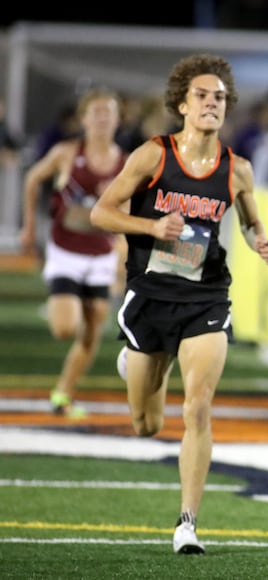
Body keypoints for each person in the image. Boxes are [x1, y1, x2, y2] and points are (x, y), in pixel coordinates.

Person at [89, 54, 268, 555]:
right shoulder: (153, 156)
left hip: (205, 298)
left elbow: (251, 219)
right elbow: (101, 212)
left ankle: (187, 522)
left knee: (197, 407)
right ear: (182, 103)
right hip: (151, 297)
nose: (212, 103)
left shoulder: (237, 169)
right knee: (146, 424)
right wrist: (153, 227)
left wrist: (261, 240)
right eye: (202, 95)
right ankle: (137, 359)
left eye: (219, 97)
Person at [19, 87, 128, 418]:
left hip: (101, 254)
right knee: (65, 328)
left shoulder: (126, 163)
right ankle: (71, 305)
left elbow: (128, 208)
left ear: (118, 119)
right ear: (83, 119)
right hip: (66, 251)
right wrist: (29, 225)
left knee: (94, 326)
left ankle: (62, 394)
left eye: (108, 112)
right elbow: (33, 178)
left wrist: (123, 247)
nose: (102, 118)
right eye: (95, 112)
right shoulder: (67, 153)